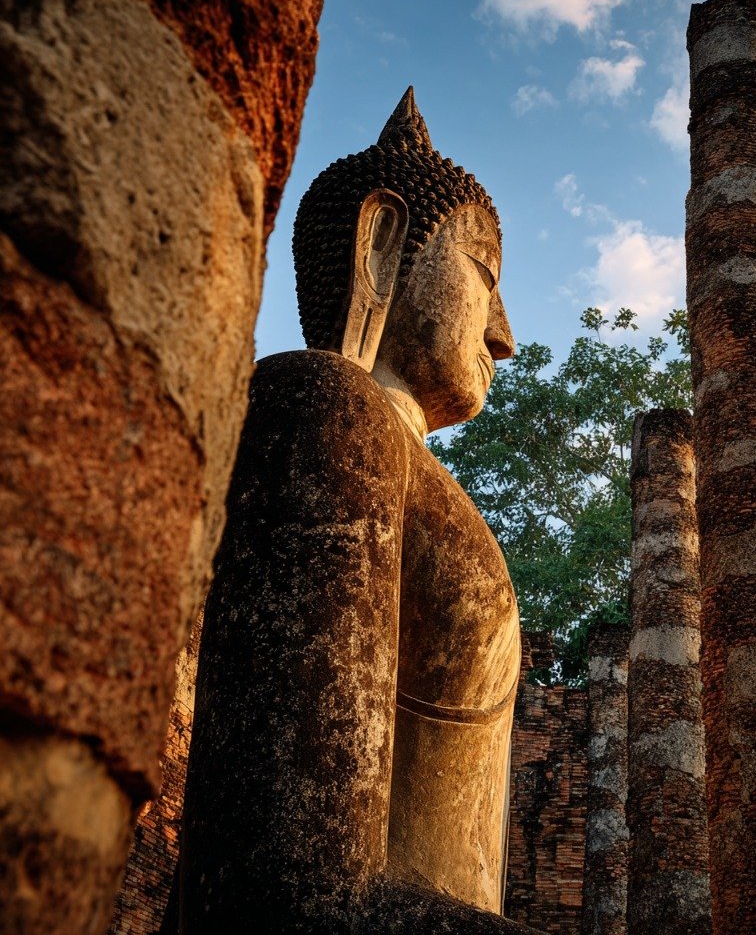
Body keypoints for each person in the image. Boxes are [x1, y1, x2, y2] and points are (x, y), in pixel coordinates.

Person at [179, 89, 521, 932]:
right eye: (485, 277)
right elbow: (292, 883)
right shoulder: (326, 408)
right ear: (382, 245)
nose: (504, 334)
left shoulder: (394, 455)